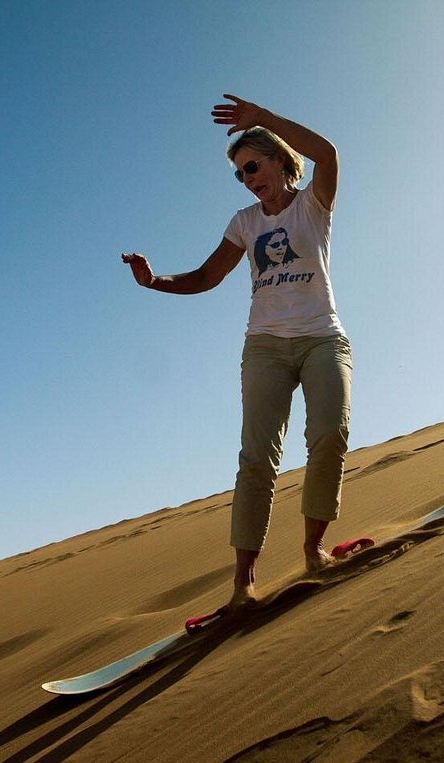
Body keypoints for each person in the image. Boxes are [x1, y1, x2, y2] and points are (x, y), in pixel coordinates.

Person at [121, 94, 352, 610]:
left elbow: (329, 154)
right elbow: (206, 277)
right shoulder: (244, 223)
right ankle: (243, 584)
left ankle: (314, 552)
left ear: (277, 158)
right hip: (265, 348)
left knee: (330, 434)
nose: (249, 179)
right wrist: (154, 280)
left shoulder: (313, 203)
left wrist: (264, 118)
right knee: (256, 461)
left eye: (253, 166)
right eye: (240, 174)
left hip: (321, 337)